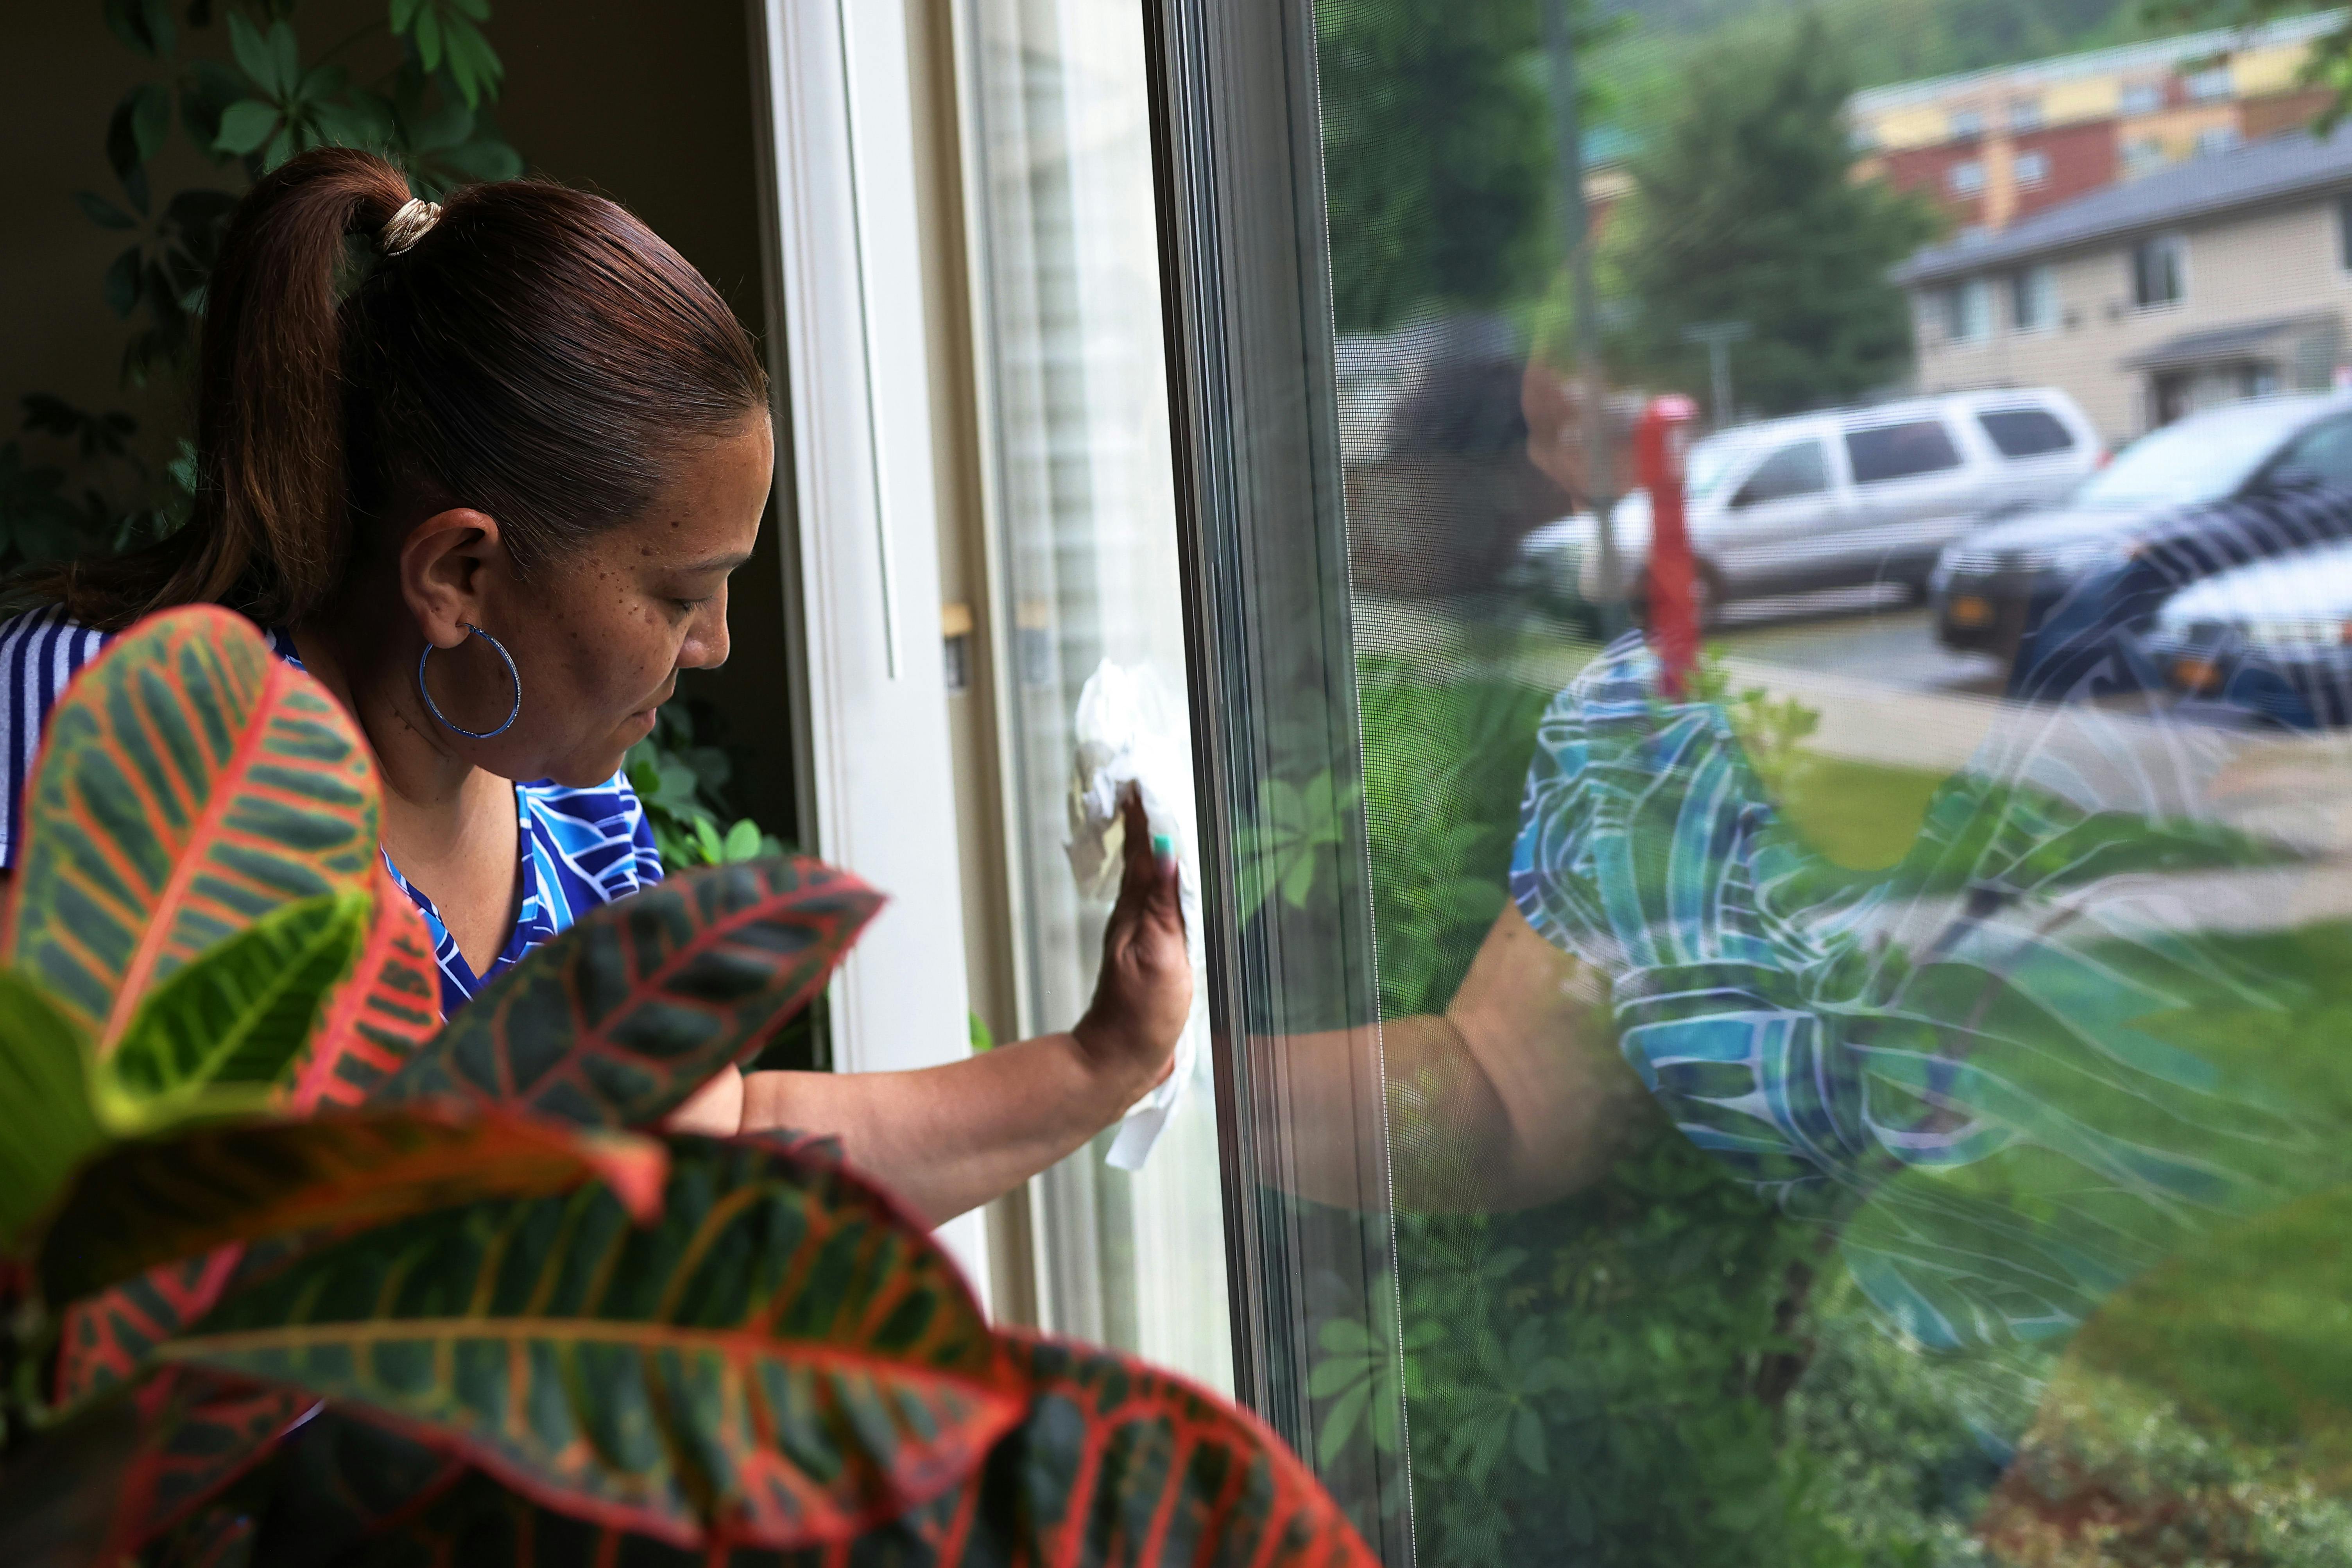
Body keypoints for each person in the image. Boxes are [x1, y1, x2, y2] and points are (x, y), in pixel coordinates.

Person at [0, 147, 1190, 1227]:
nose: (714, 644)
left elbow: (711, 1152)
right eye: (680, 595)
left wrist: (1106, 1058)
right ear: (460, 575)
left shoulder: (578, 823)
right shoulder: (104, 728)